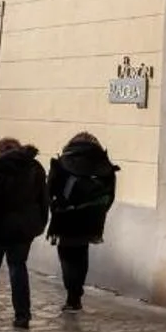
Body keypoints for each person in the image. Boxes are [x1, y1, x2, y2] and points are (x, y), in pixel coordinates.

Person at [0, 137, 48, 328]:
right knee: (18, 268)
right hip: (23, 230)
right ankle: (22, 315)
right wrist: (38, 225)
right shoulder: (35, 168)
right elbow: (43, 200)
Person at [45, 132, 118, 313]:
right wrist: (99, 211)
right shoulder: (104, 165)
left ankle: (72, 294)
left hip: (65, 215)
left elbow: (50, 190)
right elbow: (110, 195)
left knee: (66, 253)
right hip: (92, 218)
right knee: (81, 253)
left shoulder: (62, 162)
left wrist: (54, 207)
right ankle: (76, 295)